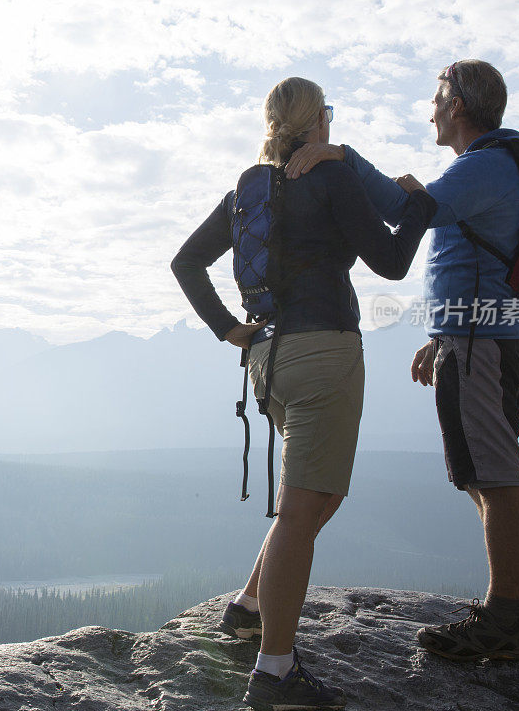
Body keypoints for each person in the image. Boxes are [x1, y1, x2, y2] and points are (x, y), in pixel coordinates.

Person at [286, 59, 519, 662]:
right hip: (478, 338)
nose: (430, 108)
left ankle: (504, 616)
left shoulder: (484, 165)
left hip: (479, 346)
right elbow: (463, 257)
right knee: (485, 473)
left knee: (494, 477)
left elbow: (402, 211)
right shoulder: (492, 166)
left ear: (460, 106)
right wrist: (440, 337)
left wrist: (344, 157)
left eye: (437, 97)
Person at [171, 77, 436, 710]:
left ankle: (250, 607)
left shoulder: (246, 190)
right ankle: (275, 671)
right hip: (325, 352)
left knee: (319, 495)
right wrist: (419, 206)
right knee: (303, 508)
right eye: (329, 116)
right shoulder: (330, 177)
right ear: (317, 121)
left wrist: (230, 330)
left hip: (267, 359)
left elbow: (186, 261)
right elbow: (392, 262)